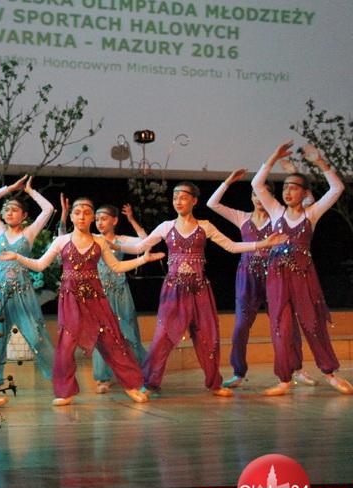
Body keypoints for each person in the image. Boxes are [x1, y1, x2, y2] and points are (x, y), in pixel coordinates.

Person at [117, 182, 285, 397]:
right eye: (175, 197)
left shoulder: (204, 226)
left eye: (183, 197)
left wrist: (262, 244)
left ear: (194, 201)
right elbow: (139, 247)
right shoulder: (166, 226)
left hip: (200, 290)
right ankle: (149, 383)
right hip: (174, 291)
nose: (178, 201)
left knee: (208, 337)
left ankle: (214, 383)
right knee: (162, 338)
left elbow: (232, 246)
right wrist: (109, 245)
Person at [0, 197, 164, 406]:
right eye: (77, 213)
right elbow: (40, 265)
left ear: (92, 217)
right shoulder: (62, 241)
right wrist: (18, 257)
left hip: (96, 299)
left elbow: (116, 267)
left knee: (112, 341)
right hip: (70, 300)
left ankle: (132, 385)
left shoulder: (100, 241)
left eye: (86, 213)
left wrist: (143, 259)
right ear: (71, 216)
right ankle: (65, 391)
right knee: (67, 345)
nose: (82, 217)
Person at [251, 141, 352, 395]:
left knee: (313, 324)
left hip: (304, 276)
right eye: (285, 187)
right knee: (281, 328)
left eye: (293, 187)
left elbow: (337, 188)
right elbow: (257, 184)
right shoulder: (276, 212)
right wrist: (273, 156)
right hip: (277, 277)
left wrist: (319, 161)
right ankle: (284, 379)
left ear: (304, 192)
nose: (287, 191)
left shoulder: (312, 214)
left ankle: (329, 373)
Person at [207, 169, 309, 388]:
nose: (259, 198)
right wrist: (228, 181)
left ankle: (296, 369)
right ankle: (238, 372)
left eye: (263, 194)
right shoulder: (242, 218)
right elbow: (212, 204)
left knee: (286, 325)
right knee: (240, 326)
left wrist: (293, 172)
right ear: (252, 197)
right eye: (254, 194)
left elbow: (307, 205)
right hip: (248, 277)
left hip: (275, 276)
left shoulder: (279, 217)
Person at [0, 176, 56, 406]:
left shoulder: (28, 234)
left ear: (24, 216)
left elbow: (48, 209)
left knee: (36, 336)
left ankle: (60, 381)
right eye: (6, 209)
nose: (9, 212)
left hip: (23, 294)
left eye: (14, 209)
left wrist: (30, 191)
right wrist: (10, 188)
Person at [59, 201, 150, 394]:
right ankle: (103, 377)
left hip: (120, 291)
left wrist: (131, 219)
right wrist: (65, 215)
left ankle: (140, 374)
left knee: (129, 333)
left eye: (104, 218)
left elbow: (144, 241)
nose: (100, 222)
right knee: (99, 334)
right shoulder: (93, 239)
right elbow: (64, 242)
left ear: (114, 221)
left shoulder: (121, 240)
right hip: (98, 293)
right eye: (98, 219)